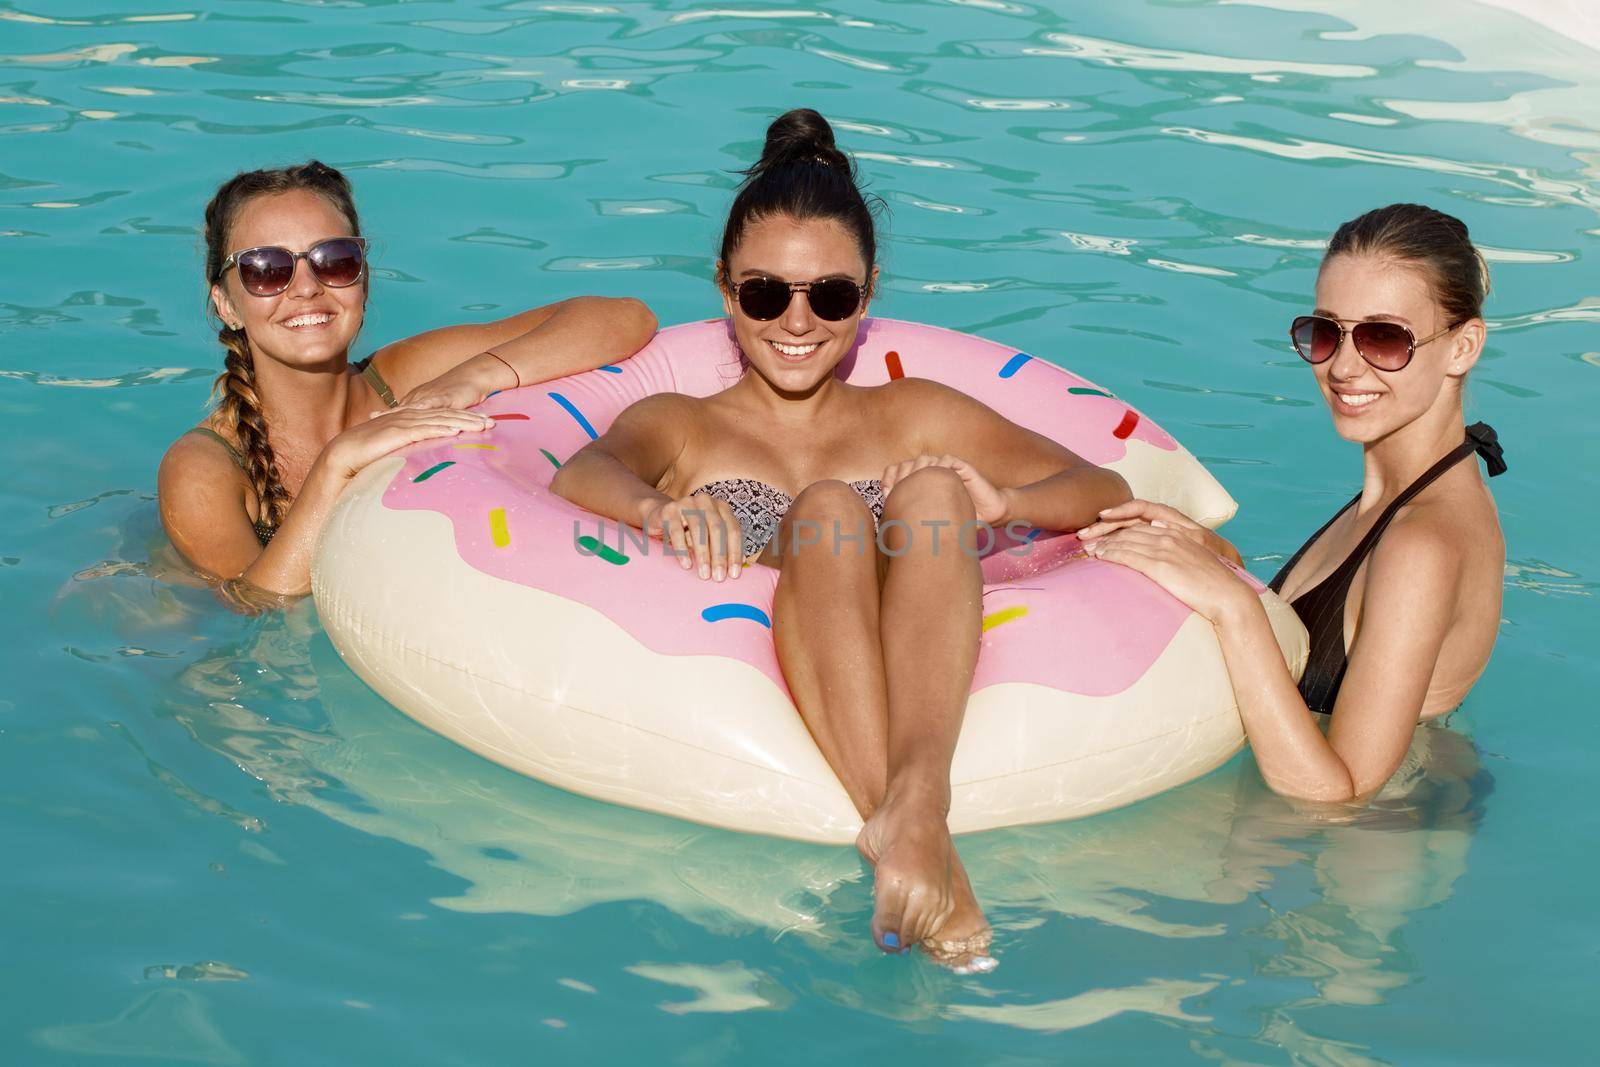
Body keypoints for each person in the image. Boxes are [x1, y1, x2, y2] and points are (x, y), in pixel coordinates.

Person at [550, 109, 1131, 970]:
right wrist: (658, 509)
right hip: (804, 634)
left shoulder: (913, 411)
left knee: (933, 483)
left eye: (830, 294)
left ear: (868, 293)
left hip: (918, 631)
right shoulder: (683, 426)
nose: (796, 322)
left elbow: (1102, 486)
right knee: (826, 511)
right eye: (762, 293)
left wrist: (998, 494)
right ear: (723, 290)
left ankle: (915, 806)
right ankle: (906, 824)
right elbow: (579, 474)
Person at [1078, 203, 1506, 802]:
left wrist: (1234, 606)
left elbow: (1338, 793)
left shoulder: (1422, 543)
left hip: (1375, 854)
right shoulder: (1403, 494)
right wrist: (1211, 557)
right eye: (1328, 331)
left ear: (1462, 348)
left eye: (1385, 337)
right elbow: (1330, 629)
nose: (1344, 366)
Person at [158, 161, 656, 610]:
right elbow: (256, 606)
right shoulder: (205, 469)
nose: (306, 287)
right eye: (266, 270)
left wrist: (474, 375)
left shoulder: (404, 380)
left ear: (364, 278)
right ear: (225, 301)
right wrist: (338, 463)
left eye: (334, 260)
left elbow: (624, 317)